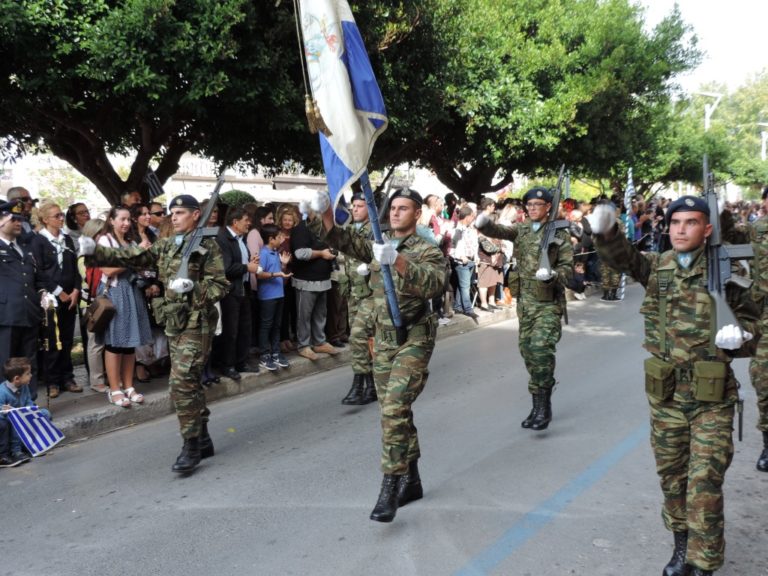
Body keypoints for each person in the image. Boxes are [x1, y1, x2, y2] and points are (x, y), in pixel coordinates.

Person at [589, 196, 760, 576]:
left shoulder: (729, 270)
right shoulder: (659, 266)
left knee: (704, 480)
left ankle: (704, 561)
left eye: (691, 222)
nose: (681, 230)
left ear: (708, 228)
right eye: (675, 223)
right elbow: (623, 259)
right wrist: (606, 231)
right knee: (672, 476)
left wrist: (741, 337)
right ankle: (681, 546)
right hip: (666, 395)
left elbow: (755, 328)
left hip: (711, 397)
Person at [313, 187, 446, 523]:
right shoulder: (377, 241)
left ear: (418, 214)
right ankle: (412, 479)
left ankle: (390, 484)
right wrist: (325, 212)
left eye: (404, 209)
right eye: (393, 208)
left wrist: (397, 260)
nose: (395, 213)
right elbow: (339, 239)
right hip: (384, 340)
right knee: (396, 411)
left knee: (393, 407)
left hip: (414, 337)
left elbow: (433, 285)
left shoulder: (427, 250)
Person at [79, 194, 229, 473]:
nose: (174, 217)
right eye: (172, 212)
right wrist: (97, 252)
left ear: (196, 215)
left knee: (181, 382)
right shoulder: (168, 245)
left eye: (181, 212)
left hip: (197, 324)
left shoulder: (208, 246)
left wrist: (193, 289)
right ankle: (203, 435)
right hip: (174, 323)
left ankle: (190, 445)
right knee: (191, 382)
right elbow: (135, 255)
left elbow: (221, 286)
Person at [475, 186, 573, 431]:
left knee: (541, 350)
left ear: (548, 207)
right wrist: (483, 222)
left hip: (548, 302)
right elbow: (498, 230)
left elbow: (568, 270)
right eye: (528, 205)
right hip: (526, 302)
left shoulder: (560, 233)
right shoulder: (521, 230)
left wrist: (552, 274)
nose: (531, 209)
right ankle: (537, 403)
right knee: (528, 351)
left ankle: (544, 406)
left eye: (537, 205)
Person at [97, 207, 153, 408]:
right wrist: (136, 253)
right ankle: (114, 389)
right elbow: (108, 269)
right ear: (111, 220)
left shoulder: (129, 242)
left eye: (129, 219)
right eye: (122, 219)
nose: (126, 223)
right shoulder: (105, 240)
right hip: (115, 293)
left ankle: (129, 386)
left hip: (132, 292)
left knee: (130, 342)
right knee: (114, 343)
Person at [30, 202, 83, 398]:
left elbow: (75, 266)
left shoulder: (66, 239)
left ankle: (67, 377)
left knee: (68, 339)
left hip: (70, 296)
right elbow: (40, 272)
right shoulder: (39, 241)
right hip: (52, 297)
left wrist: (76, 289)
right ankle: (52, 380)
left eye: (62, 215)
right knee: (53, 339)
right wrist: (59, 291)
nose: (62, 218)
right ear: (45, 220)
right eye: (57, 216)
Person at [0, 200, 46, 400]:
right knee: (6, 363)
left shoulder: (25, 248)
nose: (19, 223)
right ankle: (5, 406)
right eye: (13, 219)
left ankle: (29, 402)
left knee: (29, 363)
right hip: (7, 315)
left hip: (29, 313)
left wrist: (44, 293)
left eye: (20, 219)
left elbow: (36, 278)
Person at [338, 192, 377, 405]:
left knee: (358, 336)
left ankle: (358, 383)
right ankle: (370, 387)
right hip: (354, 292)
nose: (355, 209)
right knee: (362, 340)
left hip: (371, 294)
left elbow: (387, 259)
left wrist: (370, 266)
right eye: (353, 205)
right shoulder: (350, 231)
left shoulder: (377, 232)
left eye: (360, 205)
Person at [213, 206, 260, 379]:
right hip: (229, 292)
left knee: (244, 328)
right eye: (246, 220)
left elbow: (240, 262)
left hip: (243, 289)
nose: (249, 223)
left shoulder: (241, 239)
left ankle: (241, 362)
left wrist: (250, 262)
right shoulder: (222, 239)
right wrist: (247, 266)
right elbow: (225, 268)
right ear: (235, 222)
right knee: (230, 330)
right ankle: (228, 365)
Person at [290, 210, 339, 360]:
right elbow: (300, 253)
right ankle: (303, 345)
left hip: (323, 279)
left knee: (320, 314)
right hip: (306, 280)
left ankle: (319, 342)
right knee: (304, 316)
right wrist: (321, 254)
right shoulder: (301, 229)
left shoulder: (324, 228)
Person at [255, 224, 293, 371]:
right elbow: (259, 274)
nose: (282, 239)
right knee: (266, 325)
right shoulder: (263, 253)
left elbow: (280, 273)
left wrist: (283, 266)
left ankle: (276, 353)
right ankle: (265, 355)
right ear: (271, 239)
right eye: (279, 237)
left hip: (279, 294)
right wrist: (276, 274)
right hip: (267, 296)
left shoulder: (276, 252)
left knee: (277, 325)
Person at [0, 357, 46, 466]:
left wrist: (31, 409)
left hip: (24, 414)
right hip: (9, 418)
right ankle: (16, 451)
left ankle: (31, 445)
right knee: (15, 420)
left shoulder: (24, 386)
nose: (31, 376)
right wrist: (4, 409)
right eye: (28, 374)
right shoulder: (2, 391)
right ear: (17, 379)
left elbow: (28, 401)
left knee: (45, 414)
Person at [450, 205, 479, 319]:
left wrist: (476, 256)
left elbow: (474, 245)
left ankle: (458, 307)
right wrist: (461, 256)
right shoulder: (456, 230)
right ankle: (468, 309)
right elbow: (451, 248)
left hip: (471, 260)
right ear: (467, 217)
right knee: (465, 286)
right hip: (462, 262)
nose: (473, 219)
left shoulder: (470, 230)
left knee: (462, 286)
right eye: (472, 216)